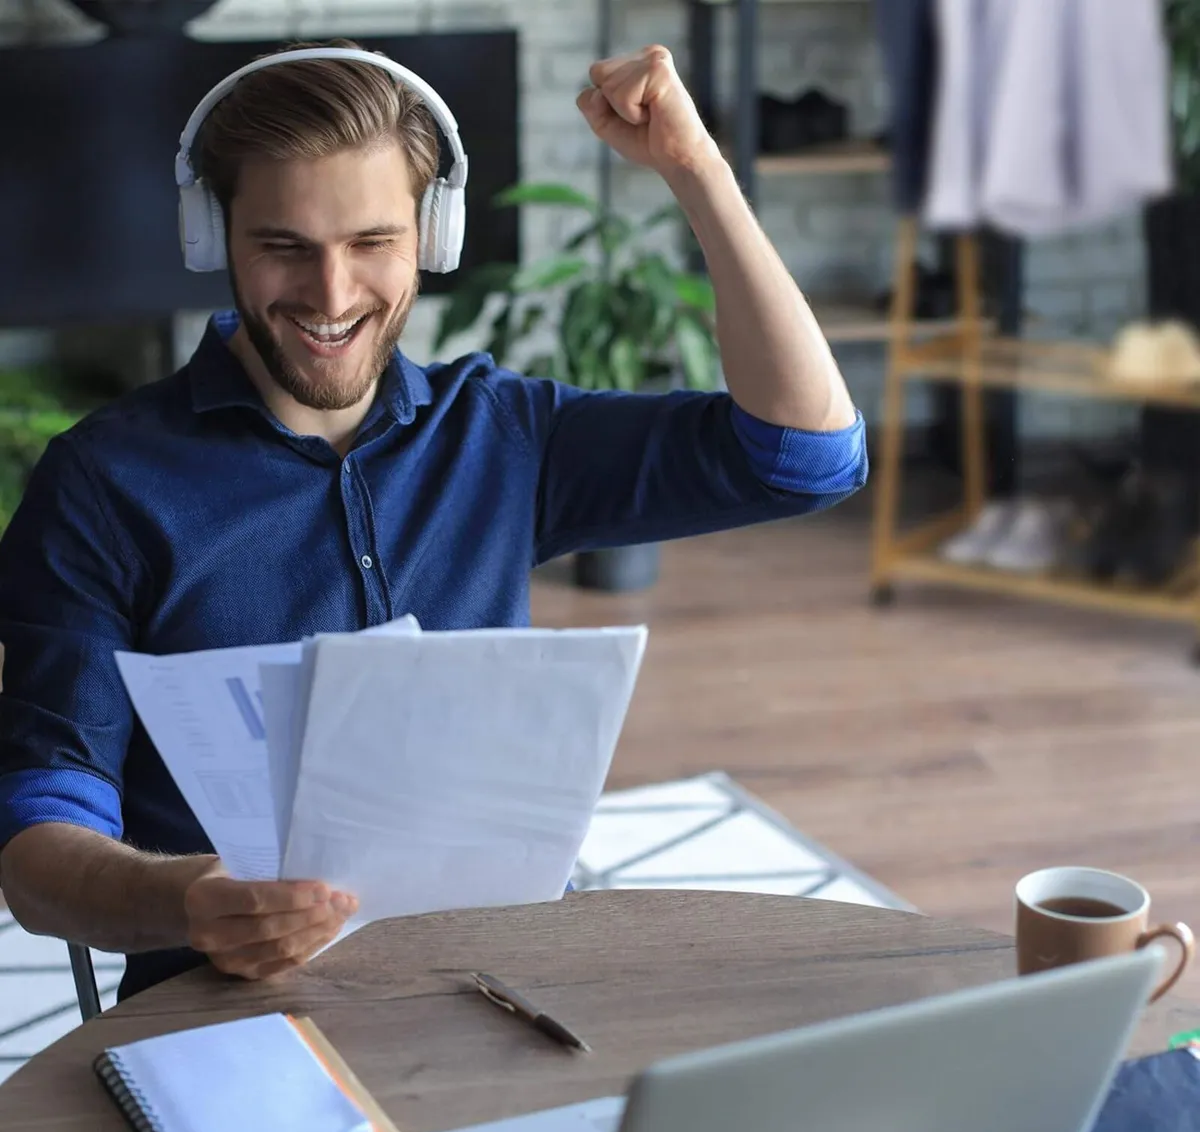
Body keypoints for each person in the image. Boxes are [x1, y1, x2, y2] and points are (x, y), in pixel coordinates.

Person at [0, 40, 866, 1002]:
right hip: (233, 1007)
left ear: (432, 235)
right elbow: (38, 839)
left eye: (372, 243)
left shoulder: (501, 433)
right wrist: (184, 900)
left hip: (501, 984)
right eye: (284, 247)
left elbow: (807, 457)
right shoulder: (103, 486)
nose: (332, 296)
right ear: (212, 235)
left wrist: (696, 169)